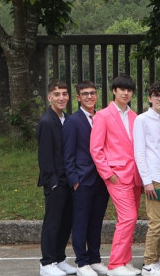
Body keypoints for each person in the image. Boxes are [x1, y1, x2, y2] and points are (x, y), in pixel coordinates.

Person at [90, 74, 143, 276]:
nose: (126, 93)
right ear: (114, 91)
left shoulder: (135, 116)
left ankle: (124, 261)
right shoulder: (102, 115)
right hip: (116, 175)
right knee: (127, 217)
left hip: (135, 176)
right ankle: (114, 264)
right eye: (122, 89)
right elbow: (96, 149)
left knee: (132, 218)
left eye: (129, 90)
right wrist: (108, 173)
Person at [64, 81, 111, 276]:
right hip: (82, 181)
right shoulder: (73, 121)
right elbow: (68, 154)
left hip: (102, 180)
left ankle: (95, 258)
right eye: (85, 94)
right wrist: (74, 179)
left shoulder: (102, 117)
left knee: (96, 222)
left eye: (92, 93)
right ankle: (82, 262)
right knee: (81, 222)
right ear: (78, 97)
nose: (89, 97)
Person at [133, 82, 160, 276]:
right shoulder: (142, 120)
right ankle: (148, 263)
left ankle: (156, 260)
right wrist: (146, 181)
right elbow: (139, 152)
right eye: (156, 95)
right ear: (149, 98)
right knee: (156, 222)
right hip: (154, 179)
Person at [38, 79, 76, 276]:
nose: (62, 98)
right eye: (57, 94)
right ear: (49, 97)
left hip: (69, 180)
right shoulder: (46, 121)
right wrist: (52, 182)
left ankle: (59, 258)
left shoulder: (66, 118)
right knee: (52, 223)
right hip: (55, 182)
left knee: (66, 222)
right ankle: (47, 263)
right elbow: (44, 156)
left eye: (64, 94)